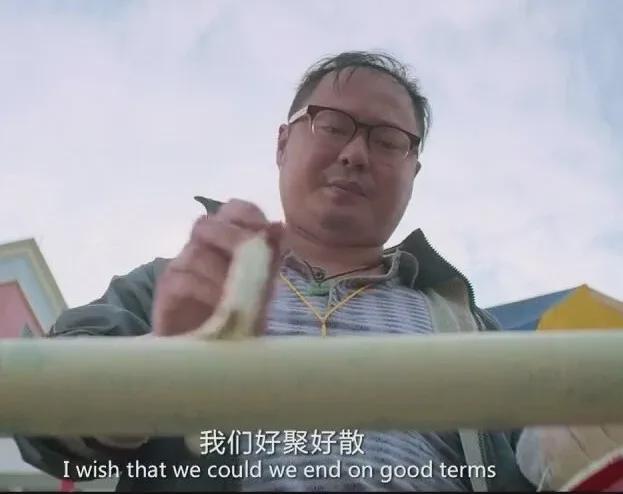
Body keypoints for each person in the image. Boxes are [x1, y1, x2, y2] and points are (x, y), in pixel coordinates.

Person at [15, 50, 594, 492]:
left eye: (388, 140)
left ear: (414, 171)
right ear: (283, 143)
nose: (355, 153)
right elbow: (41, 425)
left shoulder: (465, 323)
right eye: (333, 125)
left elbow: (544, 463)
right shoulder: (177, 283)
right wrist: (161, 361)